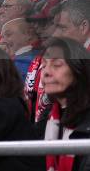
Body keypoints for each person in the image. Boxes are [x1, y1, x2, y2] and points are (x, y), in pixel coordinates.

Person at [37, 37, 90, 171]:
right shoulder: (46, 118)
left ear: (78, 69)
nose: (46, 72)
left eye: (57, 65)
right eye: (44, 65)